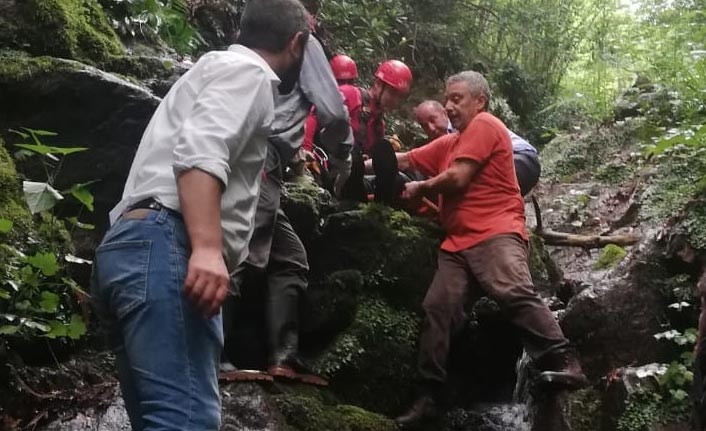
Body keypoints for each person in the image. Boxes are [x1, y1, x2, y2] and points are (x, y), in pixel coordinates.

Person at [90, 1, 310, 429]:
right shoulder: (250, 76)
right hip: (165, 245)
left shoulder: (208, 71)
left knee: (161, 419)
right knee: (185, 420)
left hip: (126, 248)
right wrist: (208, 248)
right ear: (296, 43)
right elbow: (200, 152)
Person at [393, 71, 587, 428]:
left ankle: (563, 360)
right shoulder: (450, 143)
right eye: (447, 99)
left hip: (496, 231)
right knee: (438, 307)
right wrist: (354, 167)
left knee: (512, 291)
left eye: (457, 98)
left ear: (480, 101)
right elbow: (405, 158)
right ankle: (429, 396)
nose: (449, 105)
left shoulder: (485, 125)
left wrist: (420, 188)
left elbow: (457, 178)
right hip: (457, 243)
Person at [221, 28, 353, 386]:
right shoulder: (301, 40)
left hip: (249, 152)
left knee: (290, 257)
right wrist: (343, 156)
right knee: (240, 248)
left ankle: (283, 356)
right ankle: (212, 354)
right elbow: (332, 111)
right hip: (262, 153)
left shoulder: (251, 36)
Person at [414, 99, 541, 196]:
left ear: (444, 113)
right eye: (425, 126)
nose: (431, 128)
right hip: (510, 160)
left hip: (520, 156)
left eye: (433, 120)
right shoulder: (439, 144)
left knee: (470, 183)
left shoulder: (460, 125)